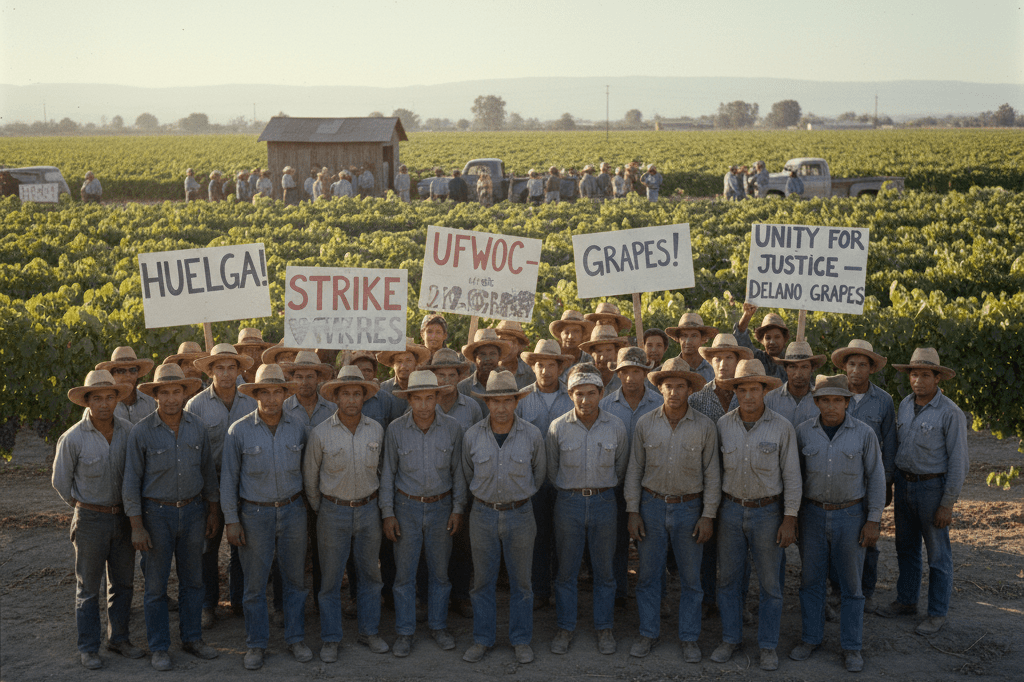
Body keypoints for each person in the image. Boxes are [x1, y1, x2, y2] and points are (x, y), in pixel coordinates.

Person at [122, 364, 219, 671]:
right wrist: (137, 526)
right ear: (155, 395)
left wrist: (212, 511)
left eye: (177, 391)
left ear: (185, 393)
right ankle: (160, 647)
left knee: (193, 581)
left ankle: (193, 639)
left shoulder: (197, 427)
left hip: (193, 512)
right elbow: (131, 483)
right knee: (155, 587)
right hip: (156, 515)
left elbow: (208, 473)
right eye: (164, 392)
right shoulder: (141, 433)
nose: (172, 398)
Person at [710, 359, 800, 672]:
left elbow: (792, 476)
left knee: (770, 585)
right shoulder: (723, 425)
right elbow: (715, 474)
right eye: (743, 389)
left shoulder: (781, 427)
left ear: (764, 391)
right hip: (732, 510)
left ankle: (767, 646)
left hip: (768, 513)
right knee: (730, 581)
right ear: (735, 392)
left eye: (755, 389)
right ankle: (731, 638)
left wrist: (789, 518)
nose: (749, 395)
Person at [790, 375, 884, 673]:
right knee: (811, 581)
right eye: (825, 400)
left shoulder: (864, 434)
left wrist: (873, 520)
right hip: (813, 514)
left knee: (851, 586)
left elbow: (876, 478)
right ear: (816, 402)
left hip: (851, 516)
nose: (831, 406)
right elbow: (794, 479)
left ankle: (851, 646)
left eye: (838, 400)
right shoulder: (803, 433)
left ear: (847, 403)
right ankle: (810, 638)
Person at [626, 358, 718, 662]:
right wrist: (633, 511)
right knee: (649, 576)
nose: (675, 392)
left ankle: (689, 637)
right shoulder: (645, 423)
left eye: (681, 386)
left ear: (690, 389)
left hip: (689, 508)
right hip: (651, 506)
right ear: (660, 388)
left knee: (692, 579)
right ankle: (648, 633)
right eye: (669, 386)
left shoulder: (704, 426)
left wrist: (708, 515)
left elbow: (712, 475)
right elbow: (634, 470)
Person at [221, 364, 312, 670]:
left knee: (295, 580)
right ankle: (256, 644)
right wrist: (232, 520)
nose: (272, 399)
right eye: (265, 392)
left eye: (277, 392)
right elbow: (228, 481)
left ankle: (295, 638)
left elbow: (308, 472)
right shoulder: (239, 431)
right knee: (255, 585)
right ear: (255, 394)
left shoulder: (299, 427)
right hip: (254, 514)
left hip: (293, 510)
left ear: (286, 394)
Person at [54, 370, 144, 669]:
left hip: (124, 518)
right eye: (97, 399)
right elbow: (60, 482)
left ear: (117, 399)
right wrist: (82, 506)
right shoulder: (73, 438)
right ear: (87, 402)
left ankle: (119, 639)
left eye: (109, 397)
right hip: (90, 518)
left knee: (123, 584)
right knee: (88, 587)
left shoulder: (130, 432)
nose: (104, 404)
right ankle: (89, 647)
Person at [877, 348, 968, 637]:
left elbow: (958, 461)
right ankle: (906, 601)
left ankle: (937, 612)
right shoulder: (904, 404)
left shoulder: (950, 413)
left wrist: (947, 503)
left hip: (932, 488)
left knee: (938, 555)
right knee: (906, 548)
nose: (918, 380)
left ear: (937, 378)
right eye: (914, 374)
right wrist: (891, 484)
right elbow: (896, 447)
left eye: (925, 375)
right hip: (905, 484)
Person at [304, 366, 390, 662]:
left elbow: (382, 471)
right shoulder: (320, 433)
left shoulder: (376, 429)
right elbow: (310, 481)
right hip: (333, 512)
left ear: (364, 397)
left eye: (357, 394)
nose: (352, 399)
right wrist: (325, 508)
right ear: (336, 398)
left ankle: (370, 632)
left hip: (368, 511)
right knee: (329, 580)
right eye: (346, 394)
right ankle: (330, 638)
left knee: (370, 576)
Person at [461, 370, 545, 665]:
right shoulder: (472, 435)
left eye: (506, 401)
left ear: (516, 402)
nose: (500, 407)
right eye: (494, 401)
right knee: (482, 582)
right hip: (482, 514)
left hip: (520, 514)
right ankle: (483, 639)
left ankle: (521, 640)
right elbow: (467, 474)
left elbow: (540, 473)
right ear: (487, 403)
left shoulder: (532, 435)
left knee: (522, 583)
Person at [381, 371, 467, 657]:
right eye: (417, 398)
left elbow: (458, 472)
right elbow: (388, 474)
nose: (424, 405)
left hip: (441, 507)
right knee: (404, 575)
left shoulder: (453, 428)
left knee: (440, 573)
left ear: (437, 397)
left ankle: (438, 626)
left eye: (429, 397)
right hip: (406, 507)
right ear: (409, 399)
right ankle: (405, 632)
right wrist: (388, 513)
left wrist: (457, 508)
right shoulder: (395, 429)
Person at [546, 364, 629, 655]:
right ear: (570, 395)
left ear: (601, 393)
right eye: (578, 394)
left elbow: (620, 469)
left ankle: (604, 628)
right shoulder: (557, 427)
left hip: (605, 502)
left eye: (591, 393)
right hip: (567, 503)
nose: (585, 400)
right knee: (566, 571)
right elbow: (552, 470)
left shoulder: (616, 427)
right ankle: (565, 628)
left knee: (604, 571)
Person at [185, 344, 257, 628]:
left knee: (243, 545)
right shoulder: (197, 405)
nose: (226, 374)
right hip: (209, 487)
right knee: (207, 547)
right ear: (211, 371)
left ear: (240, 371)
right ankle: (208, 605)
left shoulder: (252, 402)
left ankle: (239, 601)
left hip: (245, 485)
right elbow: (193, 455)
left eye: (231, 368)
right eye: (219, 368)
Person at [830, 339, 897, 613]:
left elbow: (890, 443)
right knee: (836, 538)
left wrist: (888, 480)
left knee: (868, 538)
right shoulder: (832, 395)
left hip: (869, 482)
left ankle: (866, 592)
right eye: (852, 364)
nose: (856, 370)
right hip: (839, 481)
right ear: (845, 367)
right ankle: (838, 590)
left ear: (871, 369)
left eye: (862, 365)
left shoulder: (883, 401)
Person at [598, 347, 664, 610]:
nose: (631, 378)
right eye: (625, 372)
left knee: (651, 546)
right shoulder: (604, 405)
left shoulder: (660, 402)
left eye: (636, 371)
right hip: (613, 484)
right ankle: (618, 594)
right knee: (615, 544)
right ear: (618, 374)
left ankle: (658, 597)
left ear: (646, 373)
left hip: (649, 486)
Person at [421, 348, 482, 619]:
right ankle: (429, 599)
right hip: (430, 485)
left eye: (451, 374)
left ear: (460, 377)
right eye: (440, 374)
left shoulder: (471, 407)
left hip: (464, 485)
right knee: (428, 547)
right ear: (432, 377)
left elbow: (482, 442)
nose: (446, 380)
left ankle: (460, 596)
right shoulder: (422, 403)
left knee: (462, 544)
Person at [516, 339, 574, 612]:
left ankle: (562, 593)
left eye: (551, 365)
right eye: (540, 365)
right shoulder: (522, 398)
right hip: (532, 481)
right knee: (537, 537)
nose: (546, 370)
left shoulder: (572, 396)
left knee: (563, 539)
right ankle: (539, 591)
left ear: (560, 368)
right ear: (532, 367)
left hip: (566, 479)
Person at [765, 340, 827, 427]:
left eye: (804, 367)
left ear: (812, 369)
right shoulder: (770, 400)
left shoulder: (822, 400)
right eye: (792, 367)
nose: (798, 374)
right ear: (785, 369)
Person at [94, 346, 157, 425]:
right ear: (112, 375)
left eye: (132, 370)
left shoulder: (150, 401)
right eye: (121, 371)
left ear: (137, 373)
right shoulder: (102, 405)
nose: (128, 375)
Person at [459, 329, 513, 418]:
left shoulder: (508, 385)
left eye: (492, 354)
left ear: (499, 357)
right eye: (482, 354)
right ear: (474, 358)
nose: (488, 359)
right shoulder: (463, 388)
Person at [733, 303, 789, 381]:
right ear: (762, 341)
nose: (772, 342)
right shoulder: (758, 359)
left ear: (784, 339)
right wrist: (747, 315)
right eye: (768, 338)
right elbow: (740, 337)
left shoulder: (793, 364)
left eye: (777, 337)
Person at [665, 312, 719, 383]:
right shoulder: (669, 369)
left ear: (703, 339)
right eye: (684, 336)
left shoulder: (714, 370)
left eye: (694, 336)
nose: (688, 341)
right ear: (678, 339)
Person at [578, 323, 627, 398]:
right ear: (591, 354)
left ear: (616, 352)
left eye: (608, 350)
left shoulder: (625, 379)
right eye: (599, 351)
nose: (603, 357)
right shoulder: (583, 377)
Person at [378, 337, 432, 405]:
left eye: (408, 360)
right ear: (393, 365)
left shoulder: (424, 388)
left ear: (416, 363)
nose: (403, 366)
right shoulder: (383, 389)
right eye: (399, 361)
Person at [548, 310, 596, 384]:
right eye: (566, 332)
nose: (571, 337)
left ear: (582, 334)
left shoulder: (588, 360)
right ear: (560, 334)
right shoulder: (551, 357)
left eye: (576, 331)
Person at [494, 320, 536, 389]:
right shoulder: (486, 370)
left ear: (519, 346)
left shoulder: (530, 372)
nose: (502, 347)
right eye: (499, 342)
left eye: (507, 342)